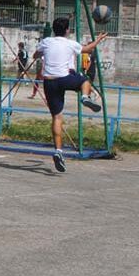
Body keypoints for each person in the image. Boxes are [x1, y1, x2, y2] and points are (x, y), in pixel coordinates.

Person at [34, 16, 108, 173]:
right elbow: (88, 49)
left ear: (54, 29)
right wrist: (99, 40)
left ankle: (58, 152)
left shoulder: (46, 42)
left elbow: (35, 55)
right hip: (64, 78)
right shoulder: (70, 44)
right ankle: (85, 97)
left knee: (57, 118)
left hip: (49, 82)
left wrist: (40, 56)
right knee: (85, 81)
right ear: (67, 30)